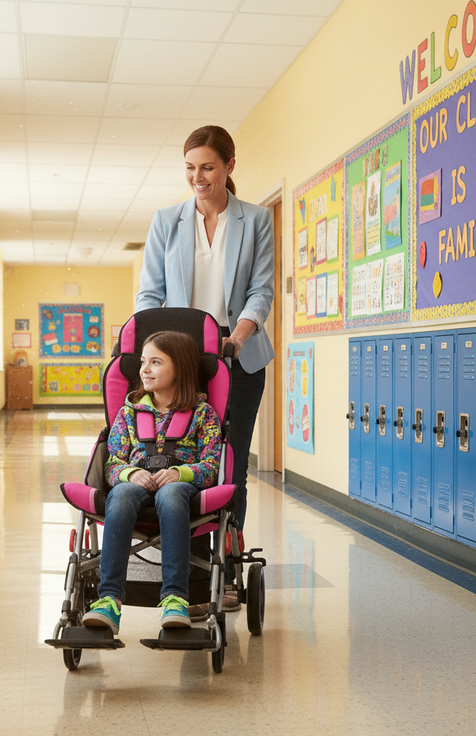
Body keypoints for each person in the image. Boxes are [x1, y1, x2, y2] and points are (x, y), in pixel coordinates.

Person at [135, 125, 275, 611]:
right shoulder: (166, 221)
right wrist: (149, 346)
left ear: (229, 167)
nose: (198, 177)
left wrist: (237, 336)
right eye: (191, 168)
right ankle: (192, 578)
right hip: (183, 364)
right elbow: (149, 293)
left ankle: (226, 568)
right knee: (182, 458)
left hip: (237, 360)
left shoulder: (255, 220)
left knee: (229, 463)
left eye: (208, 167)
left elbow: (261, 290)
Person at [82, 330, 222, 633]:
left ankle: (175, 598)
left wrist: (181, 473)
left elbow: (212, 465)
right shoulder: (129, 413)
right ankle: (108, 600)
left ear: (180, 368)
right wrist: (130, 474)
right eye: (144, 361)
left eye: (156, 362)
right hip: (135, 480)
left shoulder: (203, 414)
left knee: (171, 496)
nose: (144, 369)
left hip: (181, 484)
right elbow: (113, 462)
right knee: (119, 496)